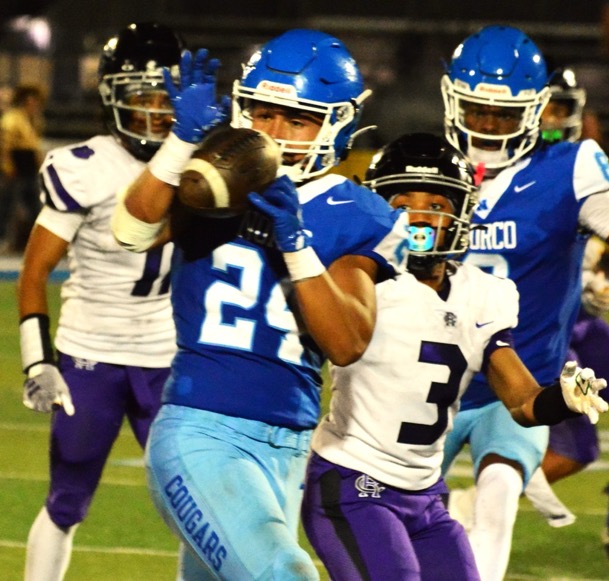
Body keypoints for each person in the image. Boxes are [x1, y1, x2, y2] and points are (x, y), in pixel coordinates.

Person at [111, 29, 409, 580]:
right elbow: (130, 231)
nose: (273, 133)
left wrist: (296, 245)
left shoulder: (358, 212)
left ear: (335, 123)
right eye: (262, 113)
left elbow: (346, 342)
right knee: (283, 572)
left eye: (296, 120)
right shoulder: (215, 180)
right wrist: (180, 142)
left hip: (288, 446)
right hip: (200, 428)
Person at [300, 132, 608, 581]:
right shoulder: (360, 280)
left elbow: (522, 402)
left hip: (425, 495)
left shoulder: (482, 294)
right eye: (402, 203)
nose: (419, 217)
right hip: (353, 483)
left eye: (437, 206)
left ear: (462, 214)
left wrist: (563, 398)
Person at [438, 24, 609, 581]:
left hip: (520, 386)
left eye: (501, 114)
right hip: (432, 383)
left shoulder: (568, 168)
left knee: (500, 495)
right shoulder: (428, 167)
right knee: (398, 516)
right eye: (476, 109)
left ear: (534, 110)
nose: (485, 124)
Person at [17, 22, 182, 581]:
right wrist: (37, 359)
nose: (157, 111)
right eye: (143, 97)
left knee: (196, 506)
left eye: (166, 98)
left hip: (167, 354)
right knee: (67, 500)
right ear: (113, 97)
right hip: (92, 353)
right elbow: (34, 271)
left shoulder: (199, 161)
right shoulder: (83, 165)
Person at [530, 66, 609, 567]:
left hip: (580, 323)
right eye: (546, 110)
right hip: (543, 328)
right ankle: (476, 503)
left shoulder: (585, 169)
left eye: (562, 110)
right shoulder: (517, 175)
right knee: (577, 449)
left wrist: (588, 291)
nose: (555, 121)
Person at [0, 83, 46, 253]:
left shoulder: (34, 119)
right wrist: (7, 166)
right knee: (7, 205)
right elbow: (5, 145)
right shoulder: (12, 118)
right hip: (16, 165)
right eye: (31, 101)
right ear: (24, 101)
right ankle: (3, 240)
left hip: (29, 166)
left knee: (35, 206)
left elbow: (35, 146)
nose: (34, 105)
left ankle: (38, 241)